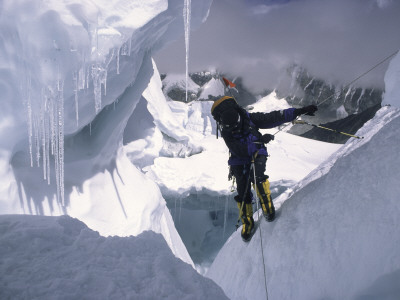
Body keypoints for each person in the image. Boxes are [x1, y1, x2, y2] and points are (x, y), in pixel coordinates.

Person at [211, 96, 317, 241]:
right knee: (243, 191)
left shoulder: (247, 119)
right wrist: (259, 141)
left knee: (258, 177)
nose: (234, 129)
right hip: (242, 157)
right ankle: (248, 222)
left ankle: (266, 209)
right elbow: (238, 149)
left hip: (253, 154)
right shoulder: (227, 130)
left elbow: (272, 117)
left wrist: (299, 111)